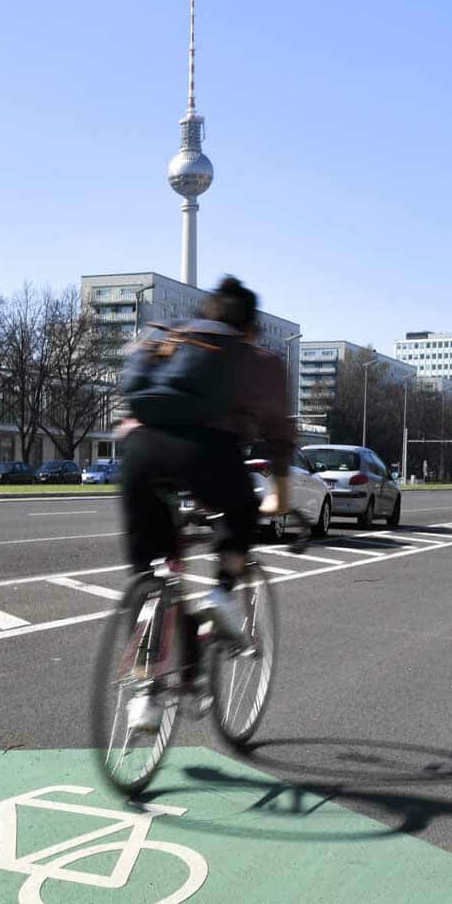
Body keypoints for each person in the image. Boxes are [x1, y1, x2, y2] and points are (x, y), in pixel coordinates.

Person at [114, 276, 296, 731]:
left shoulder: (166, 338)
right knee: (241, 513)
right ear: (250, 326)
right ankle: (223, 594)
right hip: (206, 452)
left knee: (148, 576)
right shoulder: (252, 357)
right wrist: (280, 493)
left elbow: (130, 398)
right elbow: (278, 431)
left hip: (139, 454)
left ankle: (146, 694)